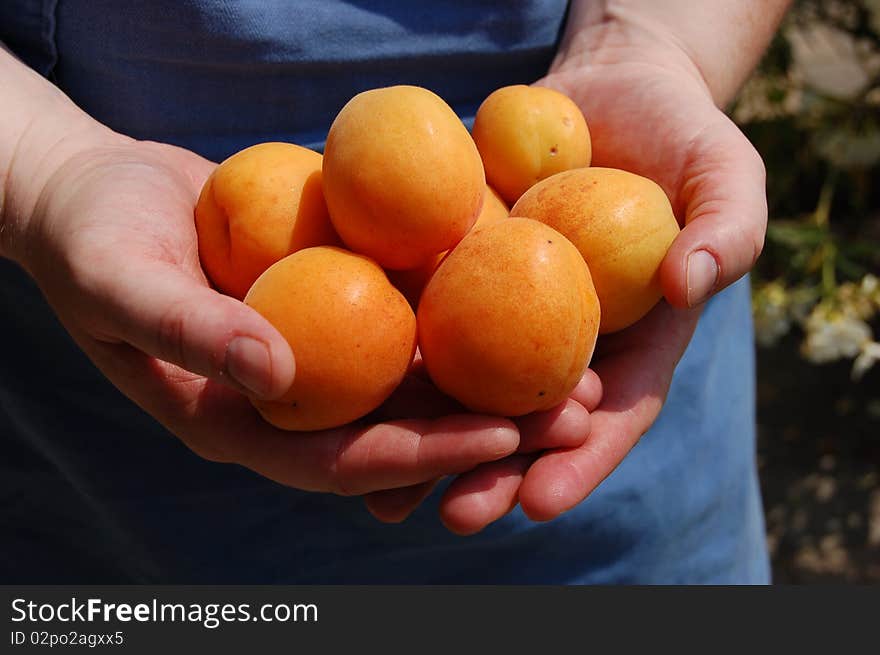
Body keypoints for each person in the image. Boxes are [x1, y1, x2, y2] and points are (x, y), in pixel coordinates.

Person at [0, 0, 790, 583]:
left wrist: (654, 39)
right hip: (111, 470)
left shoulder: (526, 235)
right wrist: (34, 167)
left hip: (627, 506)